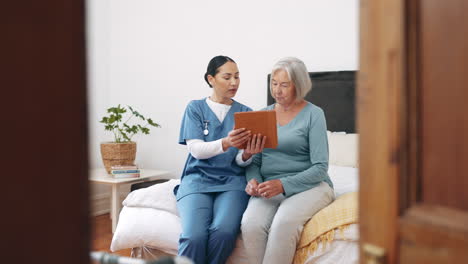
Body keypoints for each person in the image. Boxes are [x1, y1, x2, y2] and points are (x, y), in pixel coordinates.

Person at [241, 57, 335, 264]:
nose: (277, 90)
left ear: (298, 86)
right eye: (274, 83)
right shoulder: (263, 114)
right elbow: (254, 162)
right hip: (269, 186)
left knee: (283, 223)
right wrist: (253, 181)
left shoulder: (314, 114)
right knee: (250, 224)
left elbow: (320, 167)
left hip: (310, 186)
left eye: (284, 85)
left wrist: (283, 184)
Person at [174, 55, 265, 264]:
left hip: (232, 182)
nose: (234, 83)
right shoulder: (195, 108)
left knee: (223, 232)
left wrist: (248, 154)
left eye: (237, 77)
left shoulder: (245, 113)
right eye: (227, 77)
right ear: (211, 79)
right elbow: (196, 150)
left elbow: (240, 161)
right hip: (198, 180)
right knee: (194, 236)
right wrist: (226, 142)